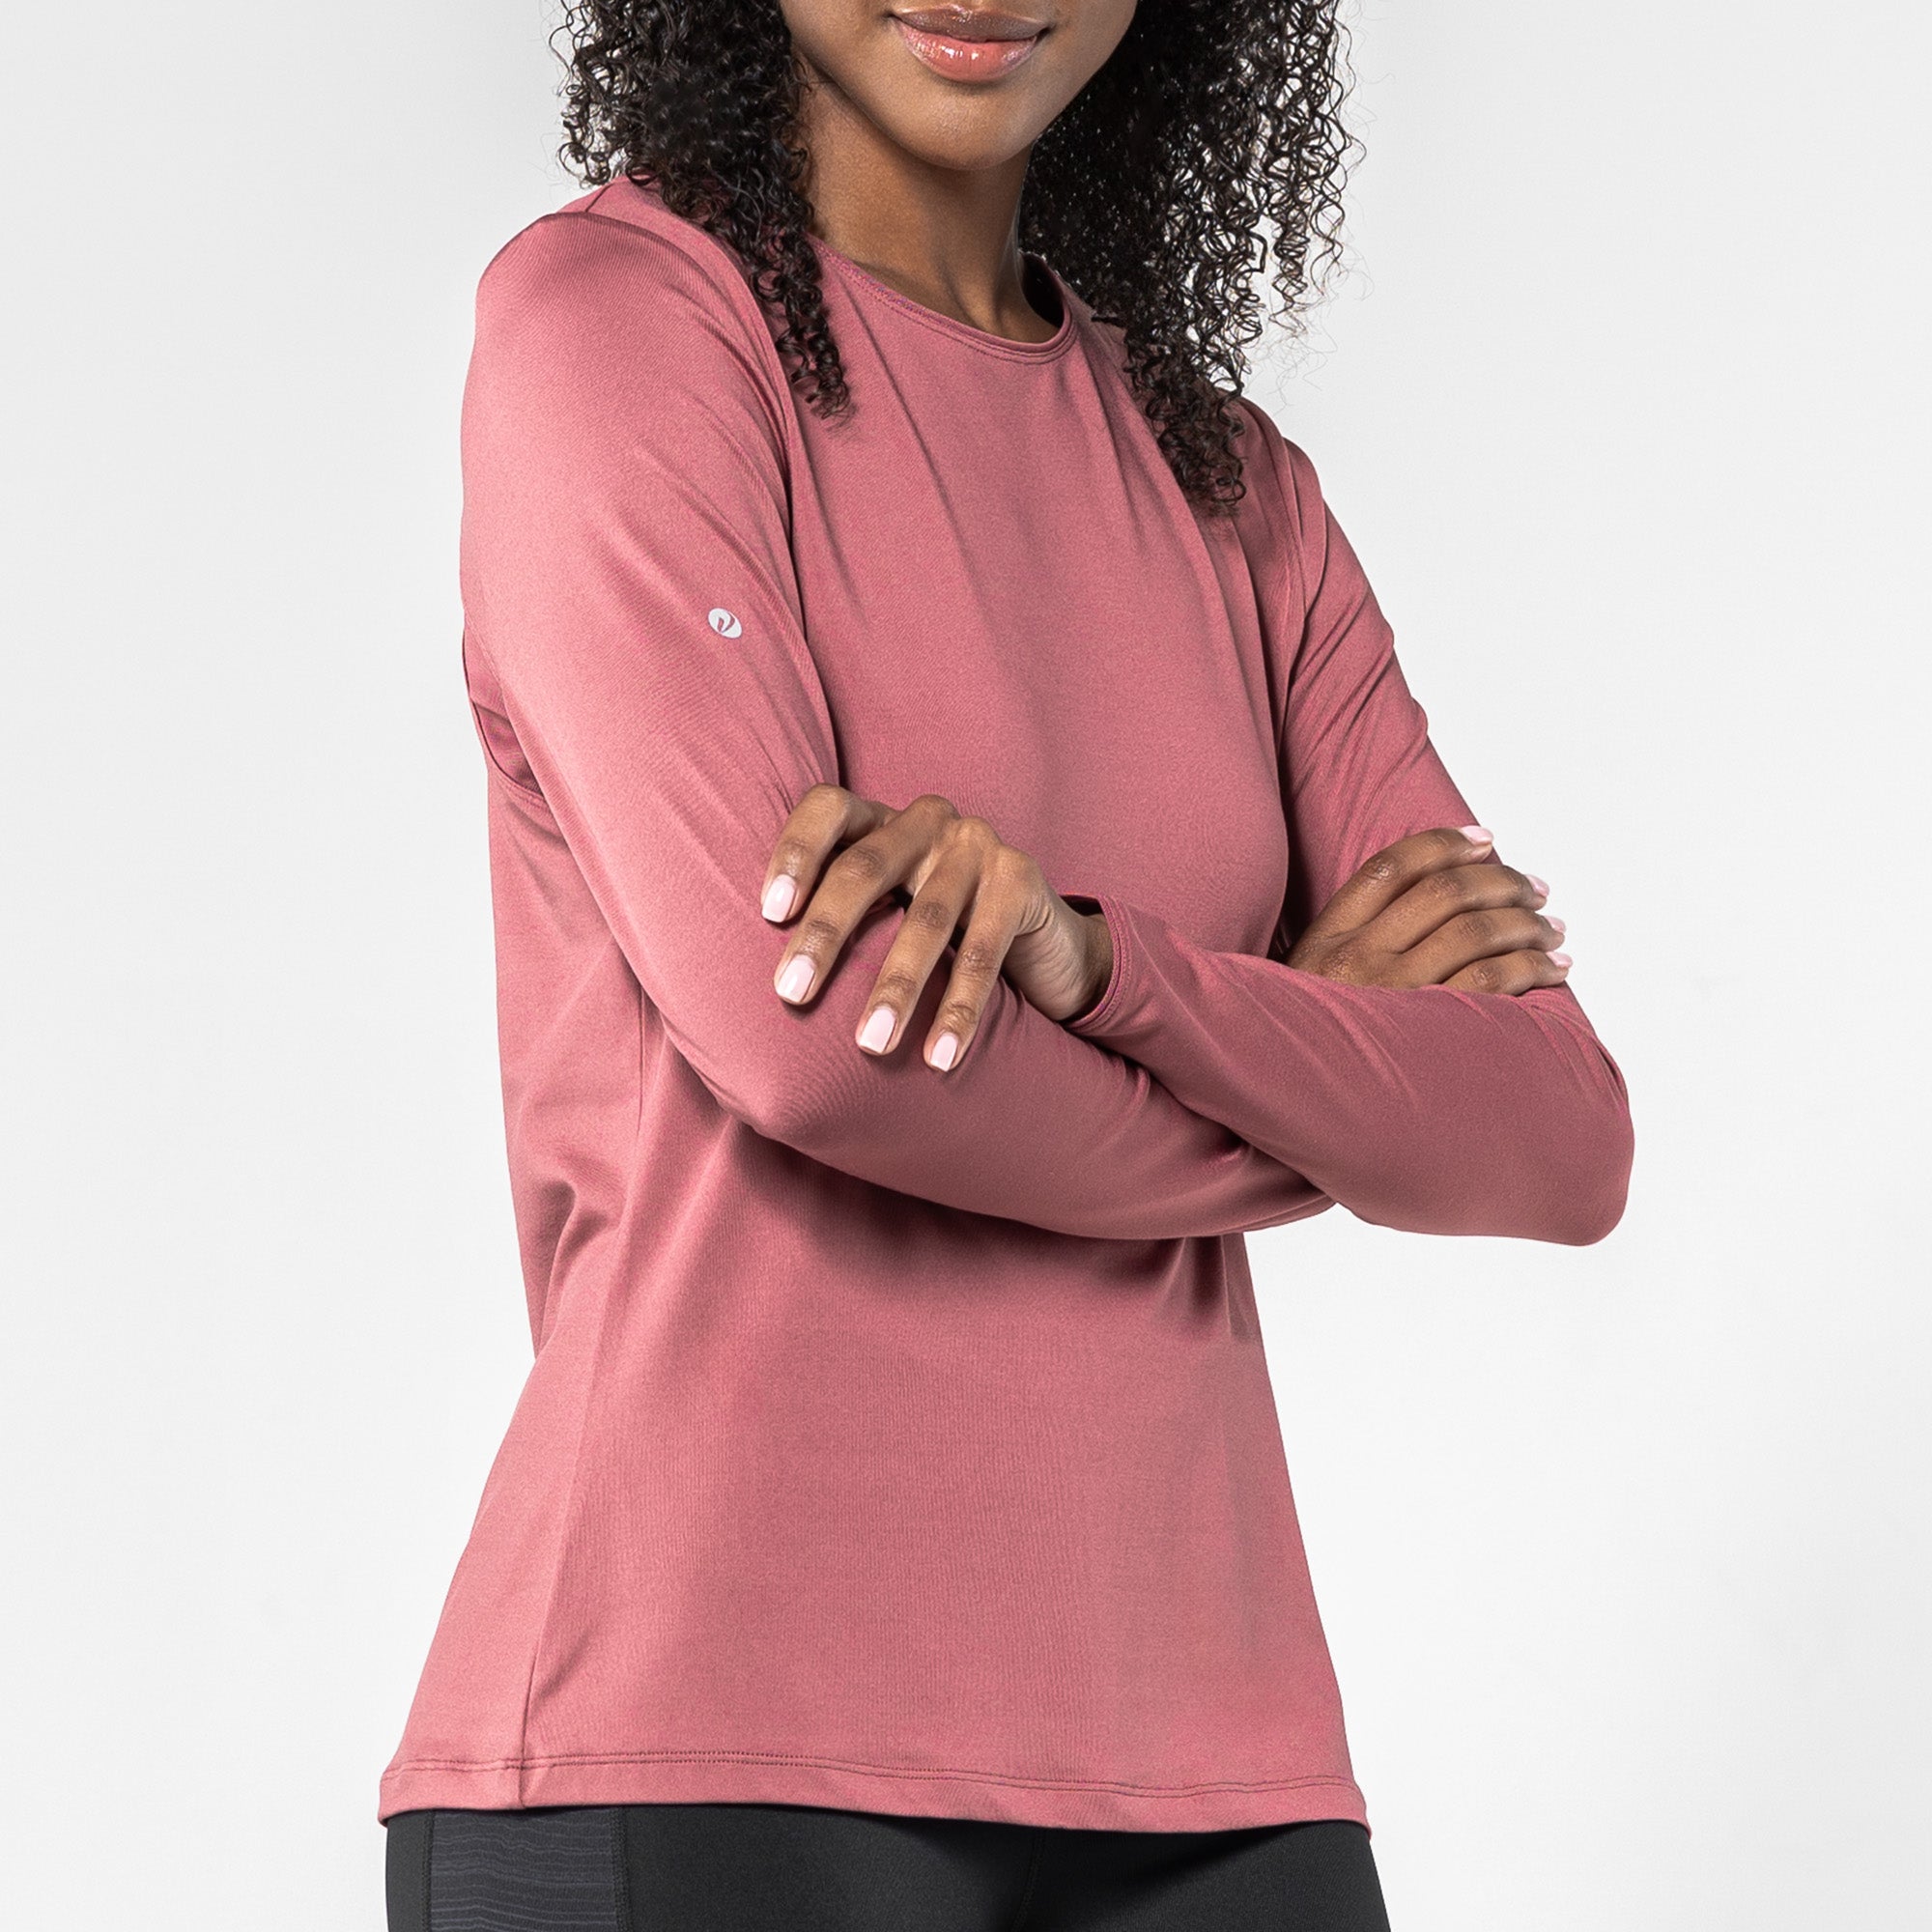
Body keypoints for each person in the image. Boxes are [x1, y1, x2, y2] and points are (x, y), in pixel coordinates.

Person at [379, 2, 1634, 1925]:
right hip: (698, 1733)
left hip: (1215, 1764)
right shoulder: (618, 329)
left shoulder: (1233, 490)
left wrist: (1102, 966)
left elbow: (1556, 1137)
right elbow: (818, 1045)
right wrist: (1319, 1067)